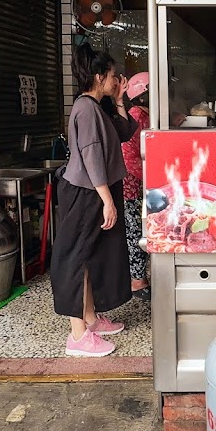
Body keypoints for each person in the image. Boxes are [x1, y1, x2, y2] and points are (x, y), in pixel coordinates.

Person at [51, 43, 138, 358]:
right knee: (74, 258)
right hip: (87, 193)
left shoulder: (98, 106)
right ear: (100, 76)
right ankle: (77, 337)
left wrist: (118, 100)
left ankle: (90, 319)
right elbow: (91, 158)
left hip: (98, 190)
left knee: (90, 257)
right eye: (113, 76)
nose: (117, 80)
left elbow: (126, 131)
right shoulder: (85, 109)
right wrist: (107, 200)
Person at [121, 72, 151, 301]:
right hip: (131, 184)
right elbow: (129, 154)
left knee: (139, 229)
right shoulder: (136, 114)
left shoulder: (145, 114)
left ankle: (139, 277)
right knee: (134, 231)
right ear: (143, 95)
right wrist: (149, 177)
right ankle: (136, 281)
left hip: (139, 183)